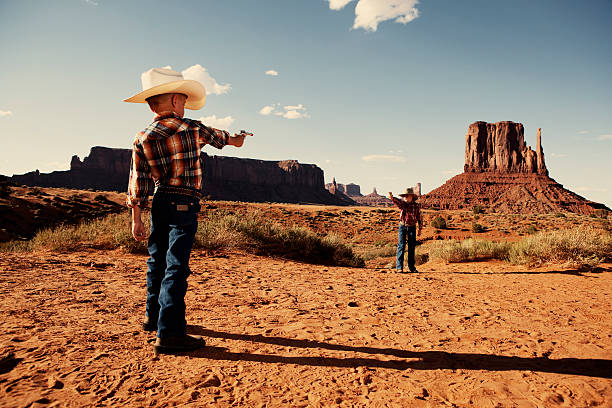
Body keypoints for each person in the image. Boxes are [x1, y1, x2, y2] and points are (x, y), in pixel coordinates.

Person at [124, 67, 249, 354]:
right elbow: (226, 139)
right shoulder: (192, 128)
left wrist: (136, 219)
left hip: (159, 201)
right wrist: (239, 138)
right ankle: (169, 334)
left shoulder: (141, 137)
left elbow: (138, 181)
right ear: (175, 102)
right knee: (176, 266)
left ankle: (153, 317)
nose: (183, 103)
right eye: (181, 98)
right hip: (185, 201)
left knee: (156, 261)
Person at [388, 188, 423, 273]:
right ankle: (399, 268)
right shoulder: (403, 204)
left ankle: (411, 267)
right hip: (402, 226)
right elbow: (397, 202)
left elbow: (419, 217)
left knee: (411, 247)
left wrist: (420, 229)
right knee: (401, 246)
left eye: (407, 196)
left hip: (412, 227)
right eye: (405, 196)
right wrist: (392, 197)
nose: (406, 197)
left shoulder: (416, 206)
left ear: (412, 197)